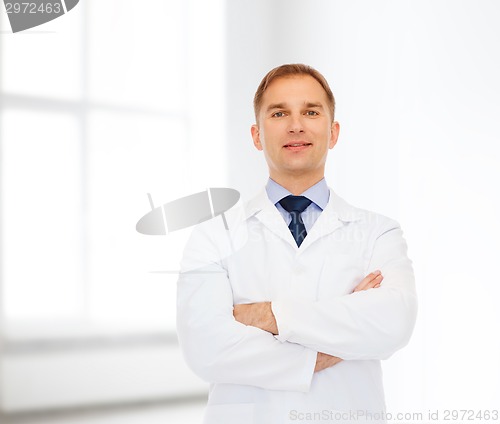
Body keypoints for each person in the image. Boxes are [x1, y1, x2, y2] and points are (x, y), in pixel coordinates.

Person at [176, 64, 417, 424]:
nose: (296, 125)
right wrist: (335, 340)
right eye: (279, 113)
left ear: (333, 132)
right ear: (256, 135)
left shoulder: (377, 232)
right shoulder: (213, 236)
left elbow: (394, 323)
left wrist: (266, 315)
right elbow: (205, 349)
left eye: (310, 111)